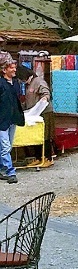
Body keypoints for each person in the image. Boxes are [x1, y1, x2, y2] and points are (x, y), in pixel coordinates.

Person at [0, 51, 25, 184]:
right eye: (11, 67)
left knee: (7, 147)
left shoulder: (15, 83)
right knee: (5, 147)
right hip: (1, 121)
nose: (14, 69)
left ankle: (1, 169)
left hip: (12, 119)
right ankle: (11, 172)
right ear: (4, 70)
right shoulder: (0, 84)